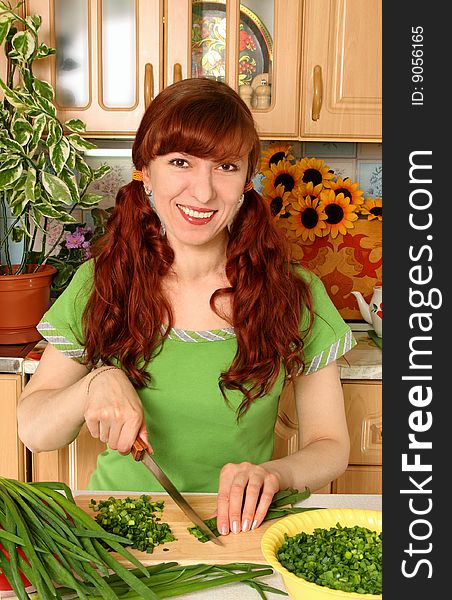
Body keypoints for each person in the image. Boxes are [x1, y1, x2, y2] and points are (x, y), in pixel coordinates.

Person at [18, 78, 354, 537]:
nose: (202, 192)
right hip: (120, 531)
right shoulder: (102, 284)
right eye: (180, 162)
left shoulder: (293, 293)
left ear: (246, 182)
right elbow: (36, 433)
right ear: (146, 171)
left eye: (226, 166)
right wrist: (97, 380)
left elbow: (329, 443)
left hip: (242, 531)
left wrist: (276, 475)